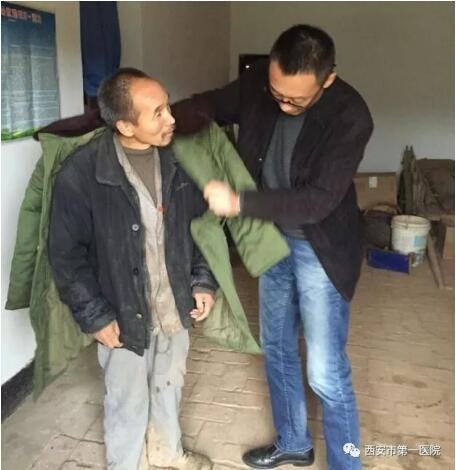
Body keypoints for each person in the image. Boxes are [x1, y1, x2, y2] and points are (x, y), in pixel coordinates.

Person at [173, 24, 374, 469]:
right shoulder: (260, 81)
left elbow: (317, 201)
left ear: (328, 79)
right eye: (277, 93)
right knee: (278, 346)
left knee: (325, 370)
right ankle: (294, 442)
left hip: (320, 249)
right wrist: (162, 117)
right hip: (270, 241)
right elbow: (210, 104)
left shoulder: (351, 116)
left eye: (296, 101)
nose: (283, 105)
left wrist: (239, 202)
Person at [49, 68, 217, 470]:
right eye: (157, 113)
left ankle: (167, 451)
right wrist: (95, 316)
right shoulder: (83, 173)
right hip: (121, 312)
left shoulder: (177, 161)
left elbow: (199, 229)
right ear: (125, 125)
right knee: (127, 398)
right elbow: (66, 255)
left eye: (167, 106)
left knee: (169, 384)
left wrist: (201, 281)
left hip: (174, 303)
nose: (171, 118)